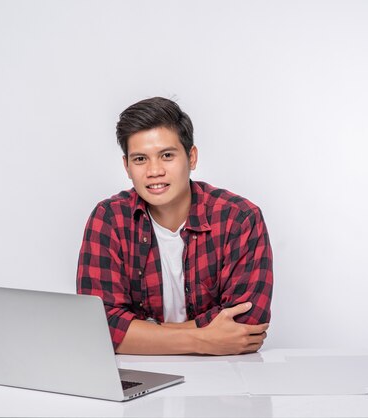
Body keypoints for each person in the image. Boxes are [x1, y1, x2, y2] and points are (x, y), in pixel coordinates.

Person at [76, 97, 273, 355]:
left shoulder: (239, 219)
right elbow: (99, 328)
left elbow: (246, 325)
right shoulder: (109, 220)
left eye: (167, 155)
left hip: (224, 374)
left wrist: (141, 333)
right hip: (138, 372)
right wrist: (203, 339)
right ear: (126, 166)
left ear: (191, 158)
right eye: (140, 159)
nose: (154, 171)